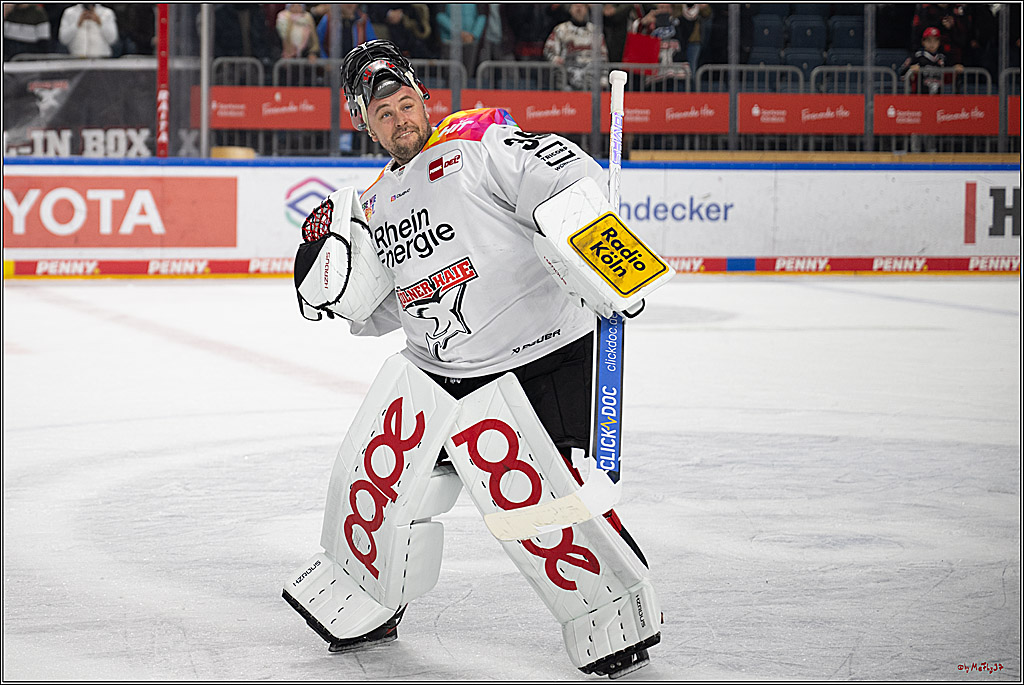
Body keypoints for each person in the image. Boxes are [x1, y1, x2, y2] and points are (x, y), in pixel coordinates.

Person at [285, 39, 666, 678]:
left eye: (407, 102)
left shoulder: (480, 145)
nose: (401, 118)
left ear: (425, 100)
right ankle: (364, 593)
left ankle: (611, 610)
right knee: (382, 489)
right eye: (384, 113)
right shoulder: (375, 201)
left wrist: (604, 256)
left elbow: (568, 180)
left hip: (540, 358)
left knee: (548, 500)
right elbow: (382, 311)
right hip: (436, 375)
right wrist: (327, 277)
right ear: (364, 122)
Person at [543, 3, 609, 90]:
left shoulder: (595, 31)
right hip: (566, 81)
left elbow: (603, 57)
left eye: (582, 6)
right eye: (575, 6)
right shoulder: (561, 29)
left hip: (590, 83)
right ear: (570, 9)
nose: (579, 9)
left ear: (586, 9)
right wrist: (556, 59)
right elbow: (548, 51)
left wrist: (603, 80)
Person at [899, 25, 961, 94]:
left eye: (935, 41)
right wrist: (912, 70)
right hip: (920, 96)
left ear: (939, 42)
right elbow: (902, 72)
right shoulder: (917, 56)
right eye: (929, 40)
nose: (932, 44)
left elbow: (947, 78)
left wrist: (955, 70)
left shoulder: (942, 57)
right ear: (923, 41)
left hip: (938, 96)